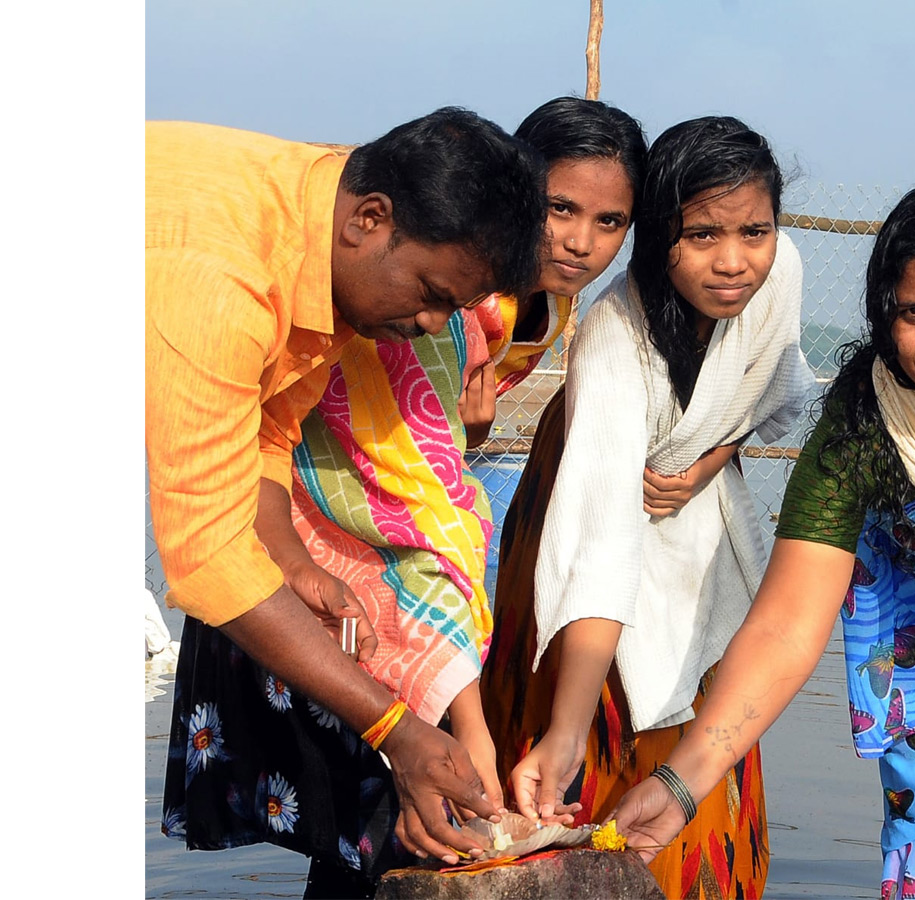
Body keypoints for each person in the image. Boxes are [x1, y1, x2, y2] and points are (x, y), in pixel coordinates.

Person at [164, 97, 648, 897]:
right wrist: (430, 729)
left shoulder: (522, 299)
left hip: (335, 564)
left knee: (392, 826)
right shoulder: (279, 286)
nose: (579, 240)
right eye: (560, 208)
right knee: (387, 827)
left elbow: (331, 436)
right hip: (337, 571)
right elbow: (394, 487)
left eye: (609, 221)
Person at [612, 183, 915, 900]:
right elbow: (788, 624)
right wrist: (682, 782)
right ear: (885, 314)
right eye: (914, 313)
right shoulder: (861, 429)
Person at [481, 116, 816, 899]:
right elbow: (597, 547)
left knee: (705, 731)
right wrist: (563, 734)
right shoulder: (612, 339)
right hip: (579, 523)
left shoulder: (782, 271)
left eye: (753, 231)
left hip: (700, 537)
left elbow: (768, 393)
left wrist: (709, 458)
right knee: (582, 761)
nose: (733, 261)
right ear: (660, 235)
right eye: (700, 235)